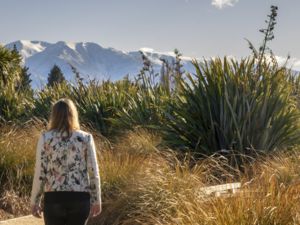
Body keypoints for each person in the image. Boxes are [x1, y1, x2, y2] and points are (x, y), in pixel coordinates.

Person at [30, 98, 102, 225]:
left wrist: (34, 201)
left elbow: (40, 171)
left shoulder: (46, 138)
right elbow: (93, 172)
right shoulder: (86, 138)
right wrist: (97, 200)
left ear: (54, 115)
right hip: (80, 199)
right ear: (73, 114)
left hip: (53, 199)